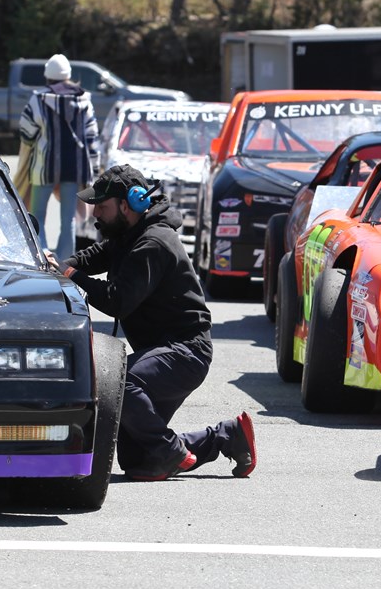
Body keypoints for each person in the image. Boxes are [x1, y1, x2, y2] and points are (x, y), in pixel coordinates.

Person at [51, 164, 257, 482]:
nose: (96, 215)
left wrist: (70, 276)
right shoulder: (128, 233)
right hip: (162, 351)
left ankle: (169, 449)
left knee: (118, 383)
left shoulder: (152, 244)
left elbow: (116, 301)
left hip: (185, 352)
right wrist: (62, 265)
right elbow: (95, 255)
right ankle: (226, 436)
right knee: (139, 463)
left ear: (128, 204)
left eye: (102, 208)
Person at [12, 53, 99, 258]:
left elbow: (26, 132)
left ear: (47, 76)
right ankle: (64, 264)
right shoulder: (83, 98)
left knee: (37, 216)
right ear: (68, 75)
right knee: (68, 219)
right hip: (74, 168)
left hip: (44, 167)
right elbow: (92, 136)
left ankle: (41, 258)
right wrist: (95, 169)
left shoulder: (39, 98)